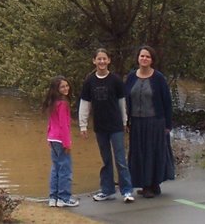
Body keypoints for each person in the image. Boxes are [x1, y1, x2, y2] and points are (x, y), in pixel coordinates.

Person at [79, 48, 135, 203]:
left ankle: (127, 190)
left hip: (116, 126)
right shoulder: (89, 81)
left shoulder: (116, 80)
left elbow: (122, 102)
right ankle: (107, 190)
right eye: (99, 59)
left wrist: (125, 122)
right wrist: (83, 126)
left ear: (109, 60)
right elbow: (85, 104)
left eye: (104, 59)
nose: (102, 62)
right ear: (94, 61)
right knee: (106, 160)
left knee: (120, 159)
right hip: (100, 126)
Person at [124, 45, 176, 198]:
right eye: (142, 56)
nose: (144, 59)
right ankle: (145, 183)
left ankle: (152, 185)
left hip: (155, 121)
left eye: (147, 56)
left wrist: (168, 125)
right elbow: (125, 99)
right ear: (138, 58)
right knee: (139, 153)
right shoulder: (131, 77)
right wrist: (126, 121)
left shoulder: (158, 78)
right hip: (136, 122)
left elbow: (167, 102)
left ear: (152, 60)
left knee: (153, 153)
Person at [41, 75, 79, 208]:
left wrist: (48, 138)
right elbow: (63, 125)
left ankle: (53, 198)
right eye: (62, 86)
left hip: (53, 138)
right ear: (56, 89)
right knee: (65, 169)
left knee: (55, 168)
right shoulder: (63, 103)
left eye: (66, 85)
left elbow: (51, 122)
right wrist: (67, 143)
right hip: (60, 139)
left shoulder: (53, 102)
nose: (65, 88)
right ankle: (64, 197)